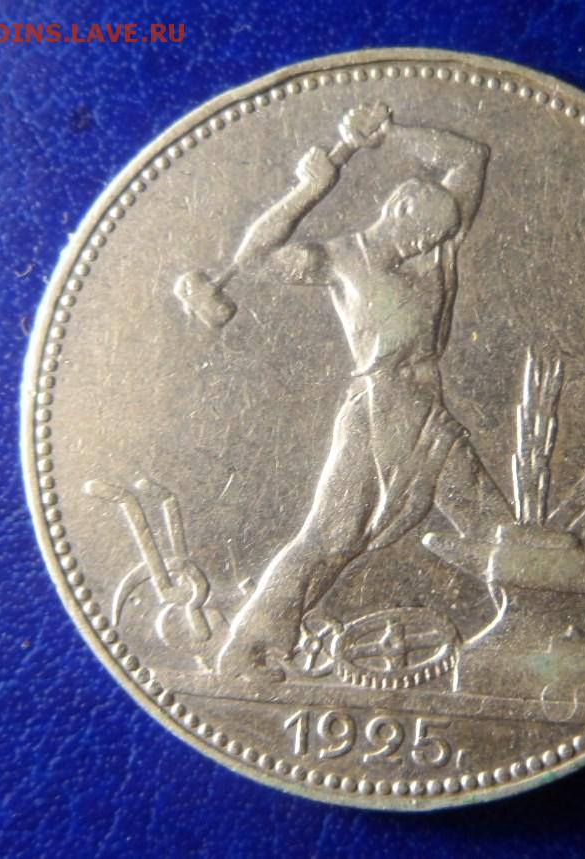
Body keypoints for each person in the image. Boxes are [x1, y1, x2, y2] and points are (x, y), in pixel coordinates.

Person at [216, 105, 510, 680]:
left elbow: (470, 155)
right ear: (399, 211)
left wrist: (391, 133)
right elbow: (254, 258)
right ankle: (248, 648)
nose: (430, 248)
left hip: (426, 413)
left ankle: (525, 642)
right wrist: (309, 190)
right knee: (332, 534)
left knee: (490, 525)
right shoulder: (340, 260)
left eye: (438, 239)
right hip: (379, 410)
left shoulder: (437, 244)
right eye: (422, 236)